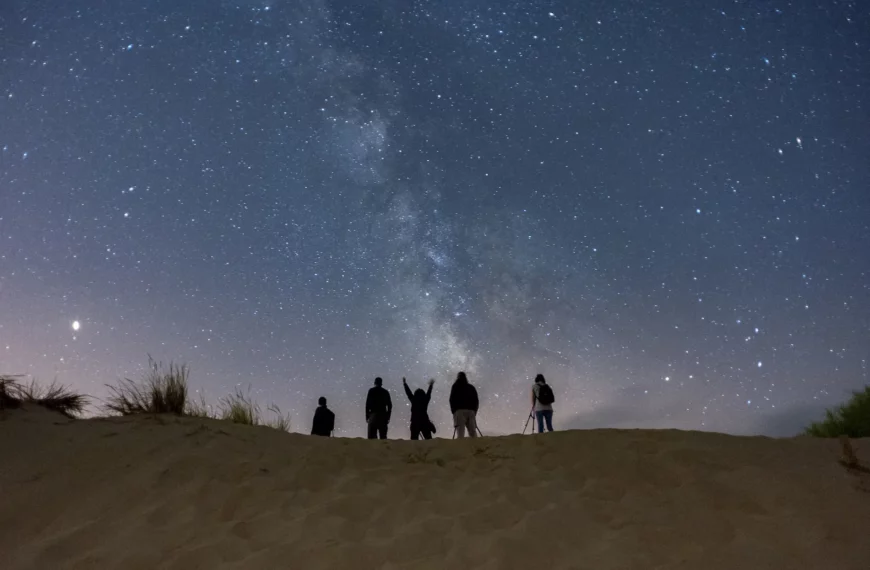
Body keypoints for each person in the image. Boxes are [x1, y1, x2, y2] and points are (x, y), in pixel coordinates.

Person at [449, 371, 479, 438]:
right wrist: (474, 411)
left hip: (459, 411)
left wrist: (453, 411)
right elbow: (476, 401)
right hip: (471, 411)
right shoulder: (471, 387)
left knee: (460, 433)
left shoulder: (455, 386)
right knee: (473, 432)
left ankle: (460, 447)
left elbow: (451, 399)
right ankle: (476, 446)